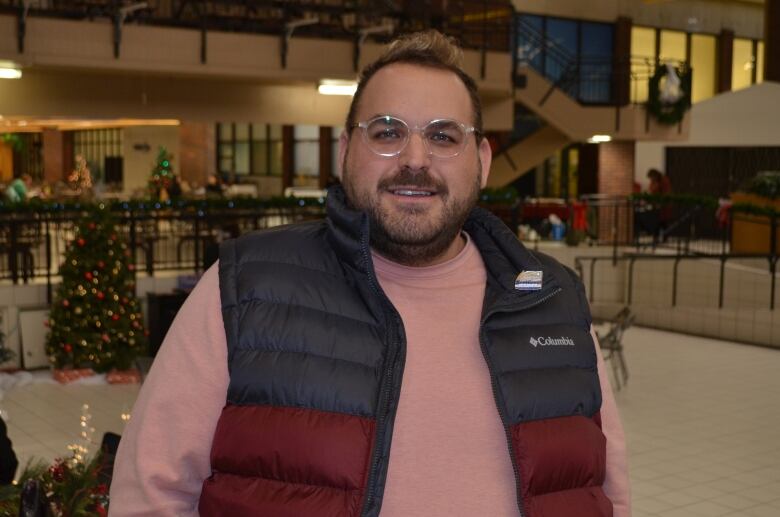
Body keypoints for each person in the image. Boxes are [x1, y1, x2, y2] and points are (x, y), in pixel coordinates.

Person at [110, 30, 630, 516]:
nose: (415, 159)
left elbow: (607, 493)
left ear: (482, 160)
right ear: (344, 152)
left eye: (445, 137)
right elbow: (150, 493)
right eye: (387, 132)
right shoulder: (245, 289)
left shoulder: (552, 301)